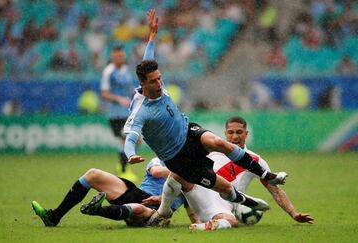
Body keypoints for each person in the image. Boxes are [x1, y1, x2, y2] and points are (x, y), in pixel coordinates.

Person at [124, 9, 287, 226]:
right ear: (144, 84)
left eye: (159, 78)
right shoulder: (141, 110)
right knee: (225, 188)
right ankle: (243, 201)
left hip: (189, 131)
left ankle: (267, 175)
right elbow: (130, 136)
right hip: (178, 158)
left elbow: (147, 60)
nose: (159, 83)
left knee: (219, 142)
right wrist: (130, 154)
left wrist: (152, 36)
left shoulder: (151, 80)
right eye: (153, 82)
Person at [209, 116, 314, 224]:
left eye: (239, 132)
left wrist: (293, 213)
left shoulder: (255, 160)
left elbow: (275, 191)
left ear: (246, 134)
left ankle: (205, 222)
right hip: (204, 199)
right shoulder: (211, 152)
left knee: (230, 222)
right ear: (225, 133)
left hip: (225, 204)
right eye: (231, 132)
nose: (235, 136)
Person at [31, 158, 186, 227]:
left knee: (138, 209)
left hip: (157, 209)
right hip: (137, 193)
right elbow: (156, 172)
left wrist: (161, 199)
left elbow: (189, 207)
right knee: (93, 174)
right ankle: (54, 216)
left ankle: (96, 210)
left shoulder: (194, 182)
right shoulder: (159, 160)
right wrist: (184, 172)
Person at [101, 45, 137, 181]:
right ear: (112, 57)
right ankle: (123, 169)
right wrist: (119, 99)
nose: (120, 58)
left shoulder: (126, 70)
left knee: (134, 139)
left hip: (127, 112)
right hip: (115, 114)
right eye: (117, 56)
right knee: (126, 139)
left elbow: (129, 89)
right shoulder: (108, 72)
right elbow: (104, 94)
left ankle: (122, 165)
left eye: (122, 56)